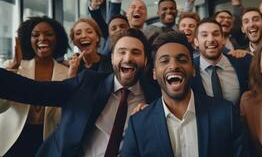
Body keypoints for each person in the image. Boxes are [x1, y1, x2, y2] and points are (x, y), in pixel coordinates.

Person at [0, 28, 160, 156]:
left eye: (136, 53)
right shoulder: (87, 83)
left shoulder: (155, 98)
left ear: (146, 61)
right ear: (112, 58)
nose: (128, 58)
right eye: (122, 52)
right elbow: (36, 91)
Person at [121, 31, 249, 156]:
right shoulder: (138, 124)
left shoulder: (226, 114)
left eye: (182, 60)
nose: (174, 66)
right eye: (165, 61)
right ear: (154, 73)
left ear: (193, 70)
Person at [0, 16, 70, 156]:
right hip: (14, 138)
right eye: (35, 35)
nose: (42, 38)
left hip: (48, 139)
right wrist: (13, 69)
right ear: (28, 39)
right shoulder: (13, 67)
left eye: (48, 34)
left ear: (57, 39)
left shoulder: (67, 72)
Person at [192, 18, 251, 104]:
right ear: (196, 42)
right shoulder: (189, 69)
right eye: (204, 35)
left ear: (223, 39)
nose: (211, 39)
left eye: (216, 34)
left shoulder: (242, 62)